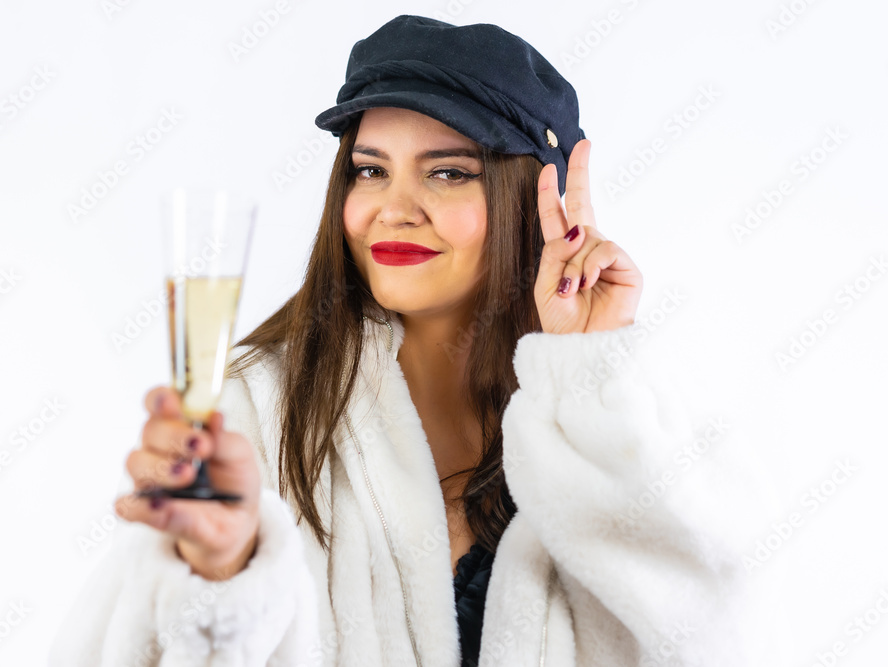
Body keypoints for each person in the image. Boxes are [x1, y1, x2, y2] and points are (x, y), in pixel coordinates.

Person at [50, 15, 748, 667]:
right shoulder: (247, 417)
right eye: (370, 169)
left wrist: (588, 373)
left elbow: (706, 636)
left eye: (448, 172)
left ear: (536, 201)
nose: (393, 208)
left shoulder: (624, 420)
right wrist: (223, 574)